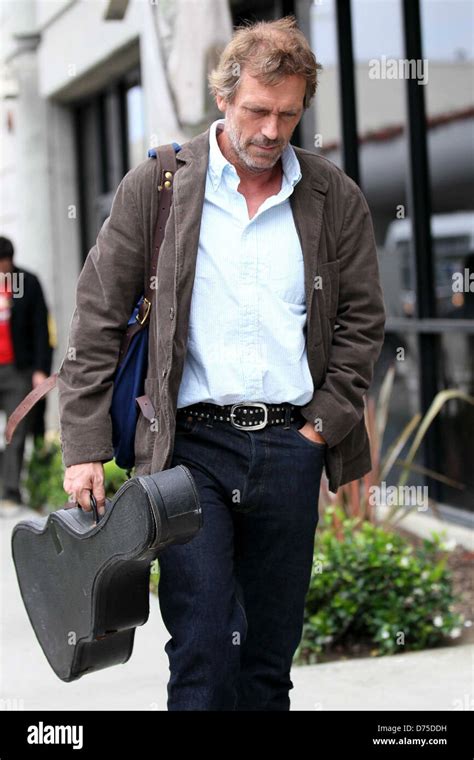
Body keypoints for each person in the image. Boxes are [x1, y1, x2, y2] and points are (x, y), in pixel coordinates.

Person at [57, 16, 386, 710]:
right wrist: (84, 445)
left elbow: (362, 325)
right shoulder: (161, 184)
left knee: (267, 659)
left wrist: (320, 430)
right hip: (190, 452)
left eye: (288, 115)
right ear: (223, 99)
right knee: (203, 645)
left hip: (292, 445)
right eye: (257, 111)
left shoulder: (333, 197)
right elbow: (96, 315)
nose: (271, 130)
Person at [0, 236, 51, 509]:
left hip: (17, 370)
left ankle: (11, 491)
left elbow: (41, 328)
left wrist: (40, 369)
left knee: (15, 431)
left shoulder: (26, 284)